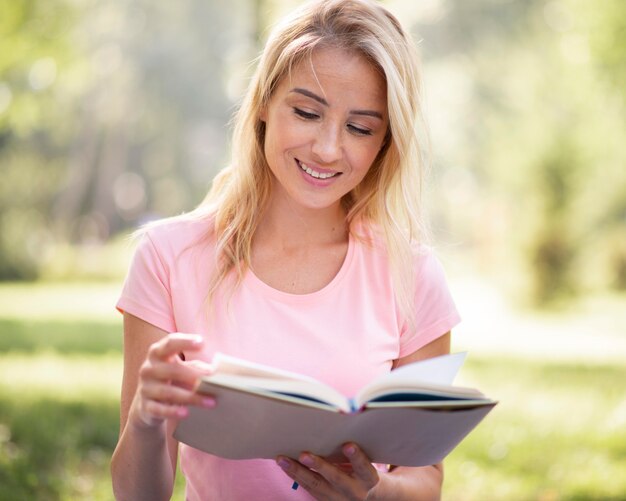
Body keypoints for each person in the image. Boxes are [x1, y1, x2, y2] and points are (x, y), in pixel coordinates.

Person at [110, 0, 461, 499]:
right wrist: (145, 421)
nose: (326, 148)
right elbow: (137, 495)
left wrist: (375, 493)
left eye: (360, 128)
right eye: (306, 112)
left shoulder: (413, 275)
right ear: (262, 106)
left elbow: (425, 479)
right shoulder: (167, 258)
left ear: (386, 142)